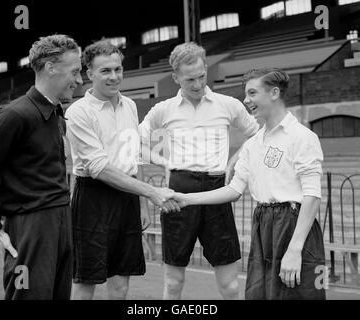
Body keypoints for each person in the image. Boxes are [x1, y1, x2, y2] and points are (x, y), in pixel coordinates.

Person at [173, 67, 326, 300]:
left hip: (294, 226)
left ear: (274, 93)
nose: (246, 100)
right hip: (263, 224)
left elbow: (312, 195)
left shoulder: (303, 137)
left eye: (252, 93)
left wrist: (295, 249)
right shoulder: (253, 143)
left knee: (299, 294)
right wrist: (187, 199)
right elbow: (234, 190)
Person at [139, 42, 259, 300]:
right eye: (189, 79)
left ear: (206, 69)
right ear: (175, 77)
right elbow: (133, 141)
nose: (197, 84)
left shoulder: (228, 105)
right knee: (173, 282)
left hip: (217, 192)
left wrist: (234, 162)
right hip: (177, 193)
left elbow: (257, 135)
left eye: (201, 76)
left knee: (230, 285)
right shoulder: (164, 109)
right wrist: (164, 163)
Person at [65, 39, 179, 300]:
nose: (114, 76)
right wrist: (150, 191)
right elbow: (99, 168)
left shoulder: (129, 105)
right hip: (93, 198)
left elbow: (132, 155)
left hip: (128, 197)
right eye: (105, 71)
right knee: (86, 281)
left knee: (121, 282)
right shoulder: (78, 112)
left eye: (118, 69)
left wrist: (140, 204)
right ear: (89, 74)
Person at [0, 34, 83, 299]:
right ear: (51, 68)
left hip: (61, 220)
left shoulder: (56, 113)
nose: (80, 80)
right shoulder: (15, 116)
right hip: (30, 226)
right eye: (74, 72)